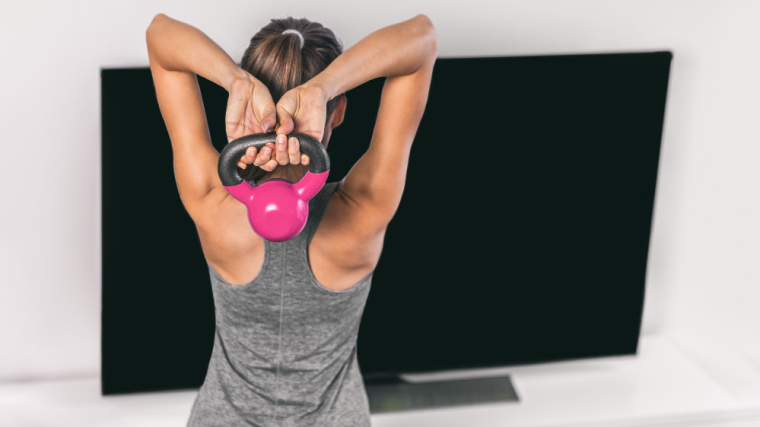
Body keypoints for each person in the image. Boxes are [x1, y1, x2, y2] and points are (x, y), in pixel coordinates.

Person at [146, 12, 437, 426]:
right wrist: (324, 88)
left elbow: (160, 35)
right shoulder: (366, 207)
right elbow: (422, 40)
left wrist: (236, 82)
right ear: (337, 113)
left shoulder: (212, 200)